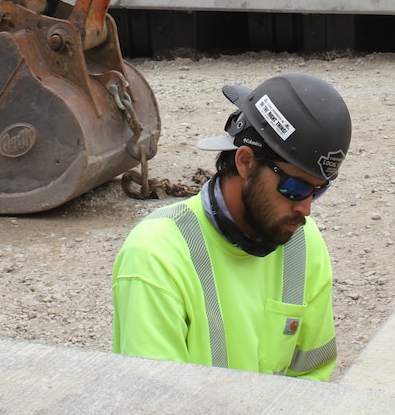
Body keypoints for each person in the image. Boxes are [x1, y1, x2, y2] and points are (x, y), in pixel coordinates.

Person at [112, 72, 350, 380]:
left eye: (319, 190)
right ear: (246, 162)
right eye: (295, 188)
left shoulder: (303, 243)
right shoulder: (156, 257)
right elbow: (158, 400)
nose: (306, 208)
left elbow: (311, 381)